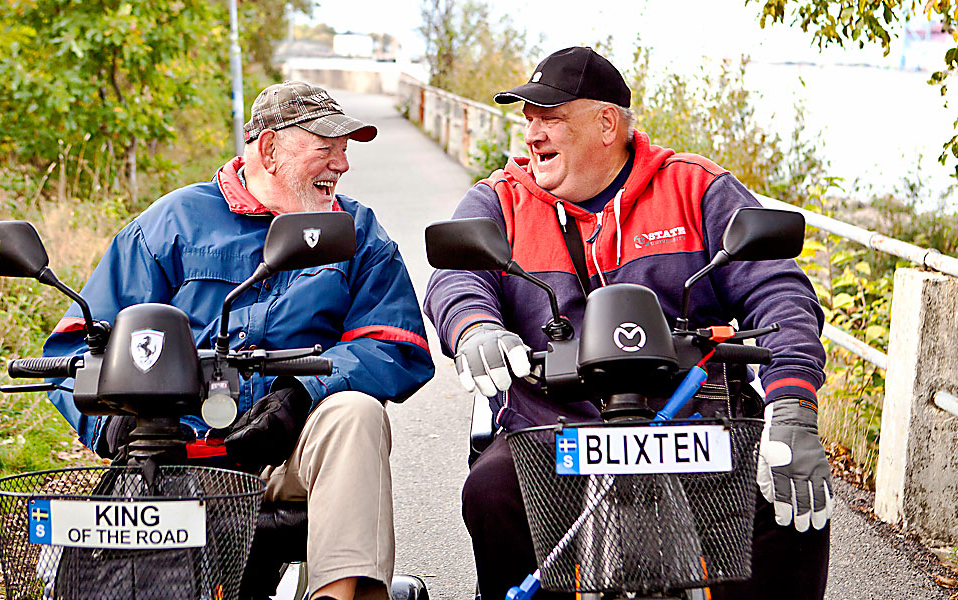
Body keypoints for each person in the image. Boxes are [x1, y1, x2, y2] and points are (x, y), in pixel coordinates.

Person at [423, 47, 830, 600]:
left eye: (552, 118)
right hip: (551, 430)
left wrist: (794, 406)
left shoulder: (694, 187)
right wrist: (475, 328)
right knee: (491, 491)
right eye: (529, 119)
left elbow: (779, 291)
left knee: (789, 493)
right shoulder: (502, 199)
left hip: (696, 426)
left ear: (606, 122)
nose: (533, 134)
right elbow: (456, 278)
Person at [44, 80, 435, 600]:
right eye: (327, 149)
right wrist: (113, 424)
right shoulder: (170, 224)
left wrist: (301, 398)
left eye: (345, 152)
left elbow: (394, 344)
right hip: (173, 456)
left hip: (289, 457)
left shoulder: (356, 232)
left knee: (356, 413)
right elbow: (71, 351)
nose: (342, 165)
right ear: (270, 150)